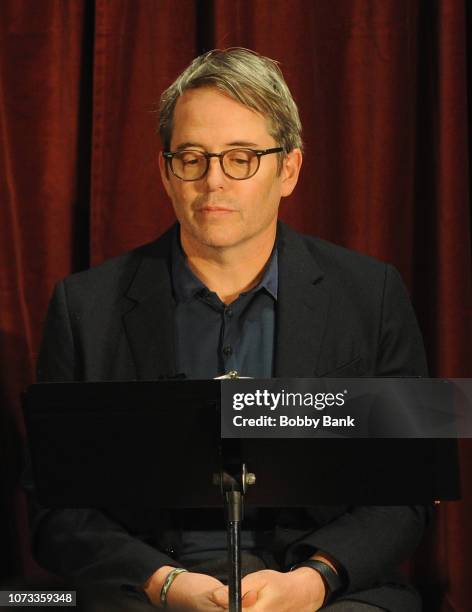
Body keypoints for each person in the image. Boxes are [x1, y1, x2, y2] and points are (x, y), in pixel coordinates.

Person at [31, 48, 431, 611]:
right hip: (143, 589)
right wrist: (164, 582)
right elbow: (54, 507)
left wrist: (312, 580)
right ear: (165, 171)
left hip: (323, 589)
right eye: (192, 157)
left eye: (241, 157)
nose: (213, 181)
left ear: (288, 170)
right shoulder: (83, 306)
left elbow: (408, 494)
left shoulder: (373, 294)